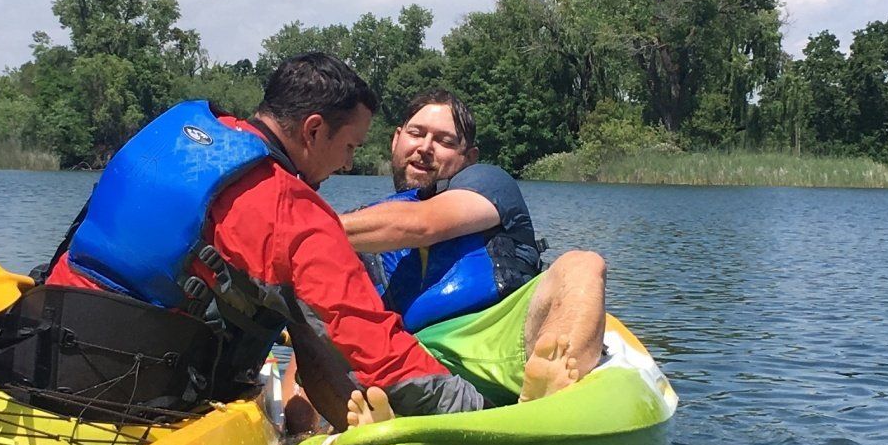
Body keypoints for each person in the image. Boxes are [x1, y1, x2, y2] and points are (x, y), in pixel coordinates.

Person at [42, 53, 487, 420]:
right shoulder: (294, 211)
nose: (348, 164)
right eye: (349, 146)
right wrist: (474, 410)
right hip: (140, 391)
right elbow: (376, 345)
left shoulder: (178, 133)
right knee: (308, 322)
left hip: (49, 339)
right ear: (313, 130)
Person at [340, 91, 608, 404]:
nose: (425, 148)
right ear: (396, 140)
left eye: (445, 141)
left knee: (583, 264)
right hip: (413, 355)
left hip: (507, 336)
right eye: (416, 133)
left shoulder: (488, 183)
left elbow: (422, 223)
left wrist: (301, 226)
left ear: (470, 157)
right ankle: (382, 416)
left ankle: (550, 401)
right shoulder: (364, 226)